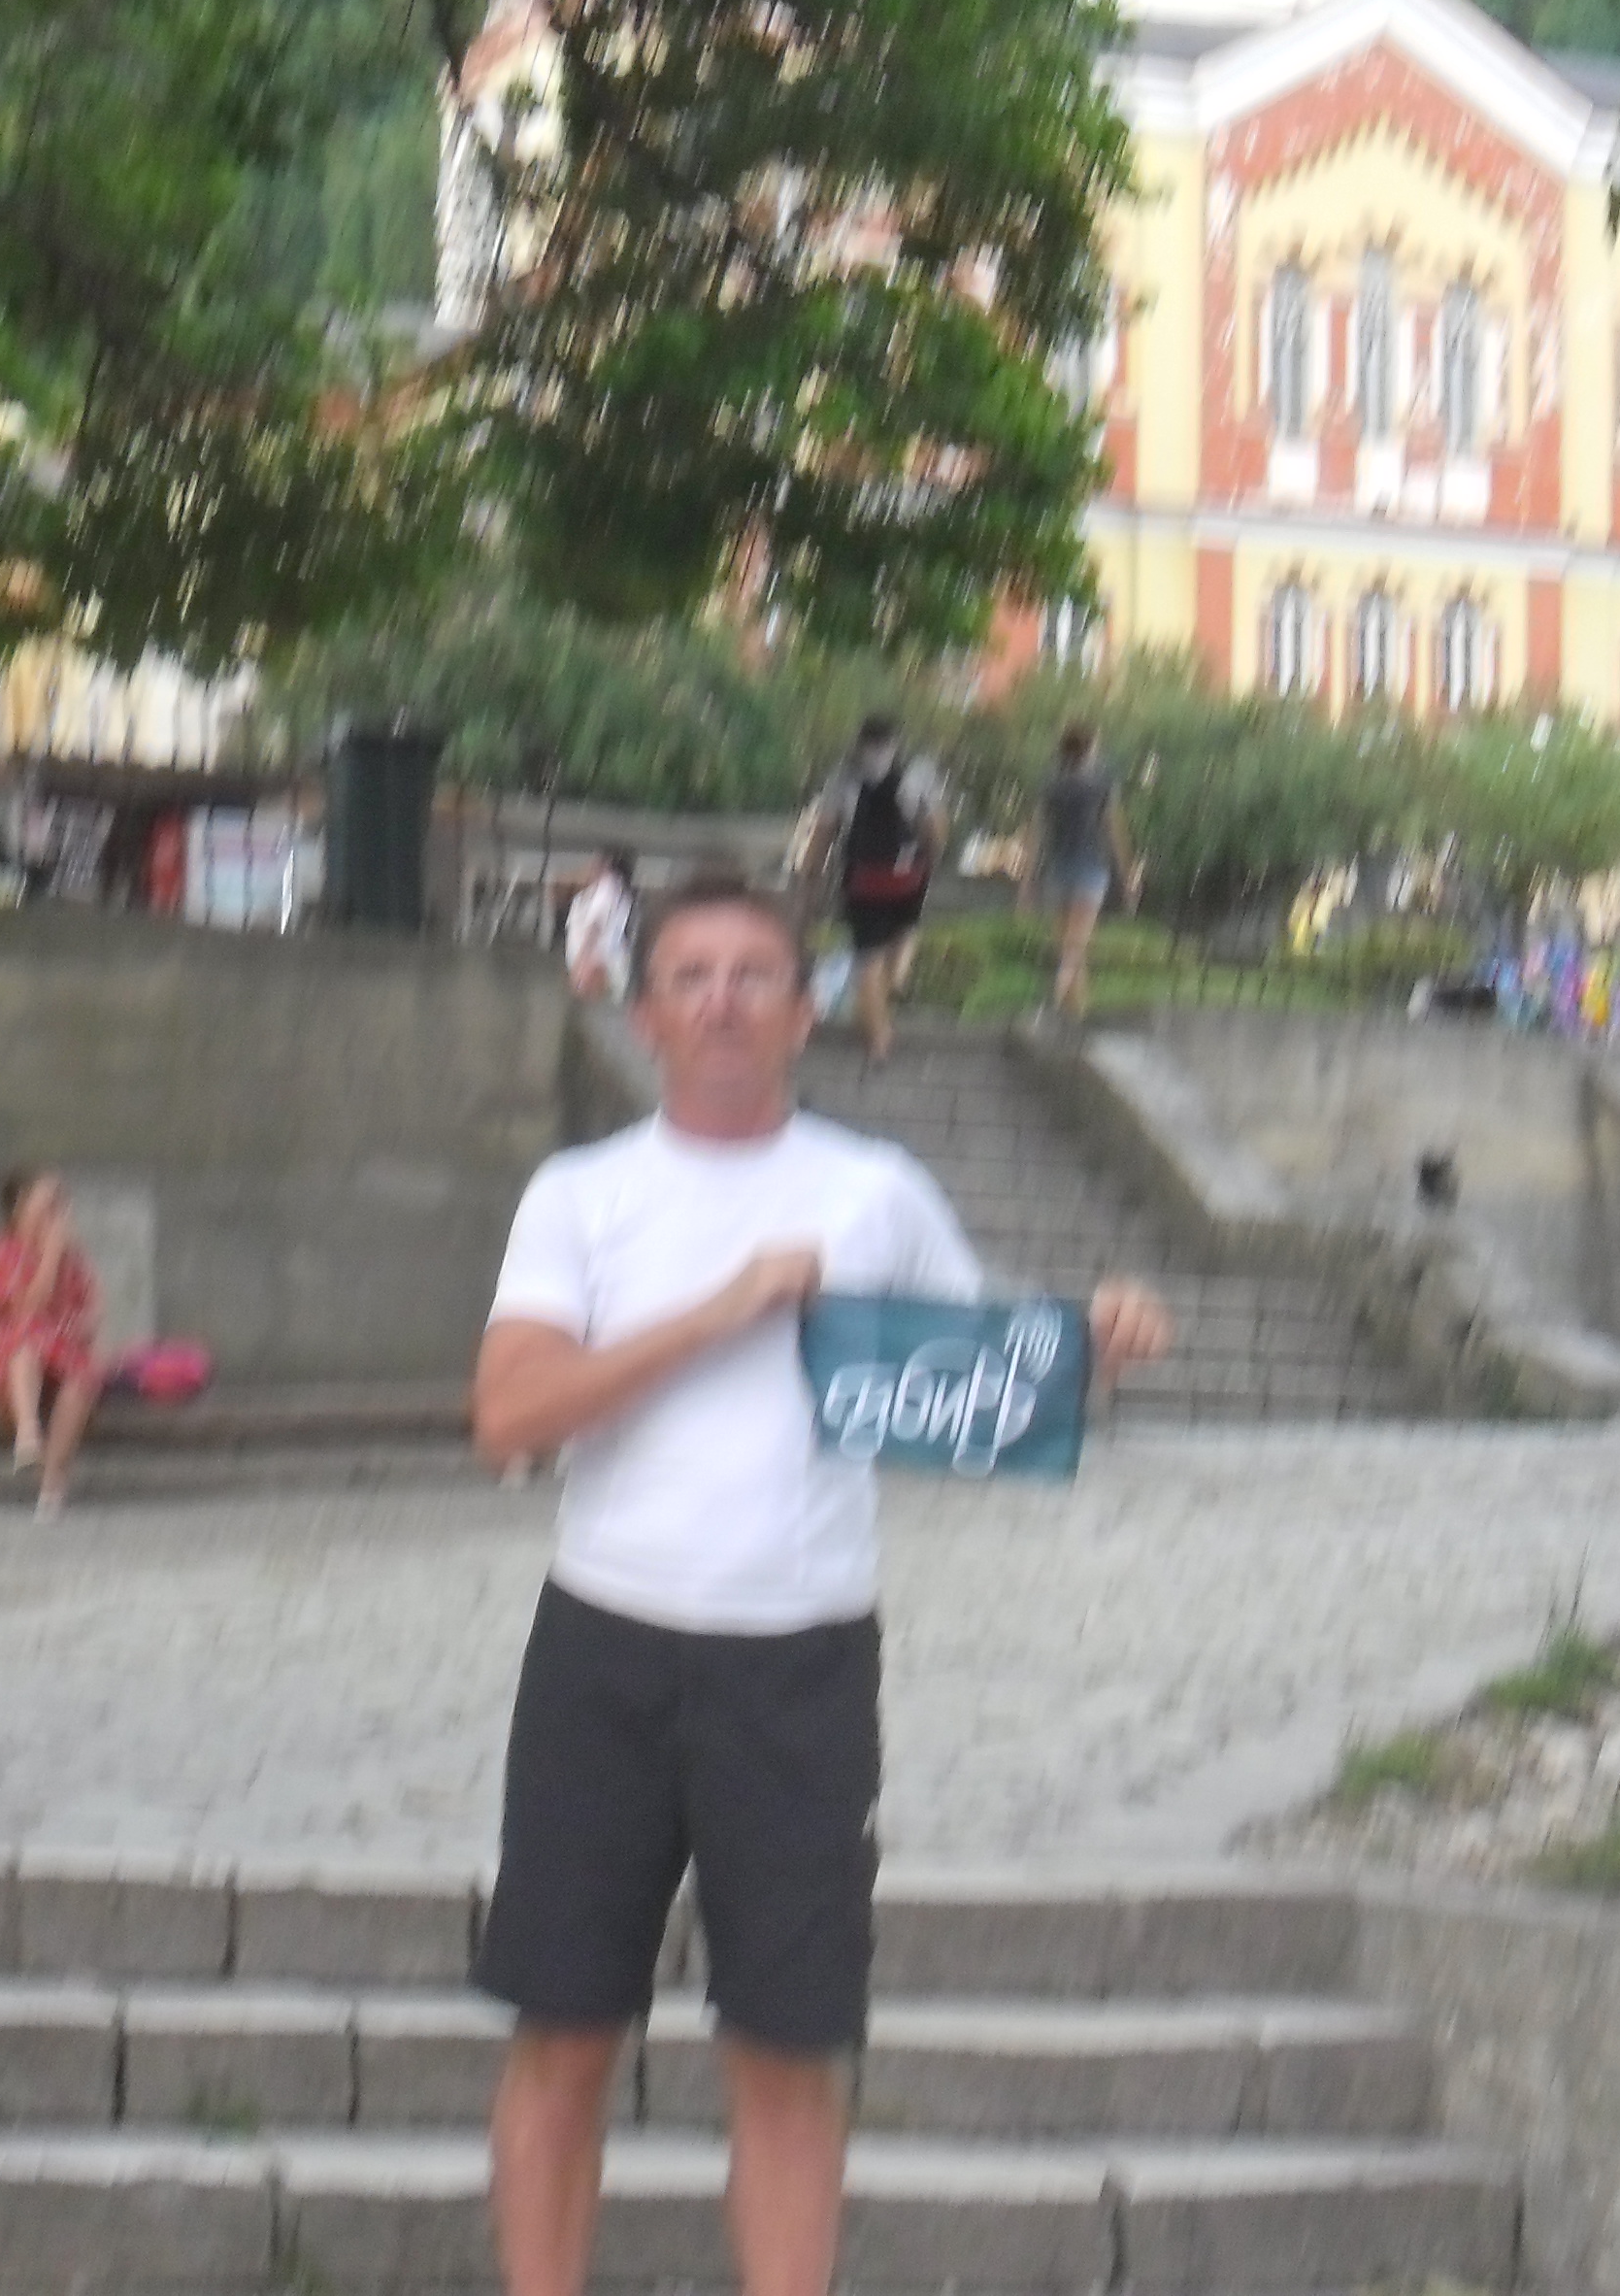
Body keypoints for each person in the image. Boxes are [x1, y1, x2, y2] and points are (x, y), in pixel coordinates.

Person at [466, 871, 1174, 2296]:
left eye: (755, 976)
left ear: (806, 1011)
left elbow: (986, 1380)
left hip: (800, 1663)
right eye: (692, 977)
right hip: (605, 1646)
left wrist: (1096, 1343)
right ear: (644, 1012)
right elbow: (510, 1414)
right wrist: (717, 1310)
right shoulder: (582, 1195)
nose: (723, 1002)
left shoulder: (874, 1191)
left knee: (790, 2050)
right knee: (564, 2032)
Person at [800, 716, 946, 1066]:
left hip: (863, 878)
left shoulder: (844, 775)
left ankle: (879, 1039)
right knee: (903, 936)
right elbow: (935, 825)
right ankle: (887, 992)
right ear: (896, 741)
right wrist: (933, 858)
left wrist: (810, 875)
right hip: (907, 875)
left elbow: (823, 831)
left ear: (860, 741)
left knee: (868, 956)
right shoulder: (917, 771)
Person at [0, 1166, 101, 1517]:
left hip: (63, 1360)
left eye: (62, 1204)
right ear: (21, 1209)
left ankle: (52, 1483)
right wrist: (50, 1257)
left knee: (82, 1378)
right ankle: (28, 1432)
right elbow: (29, 1307)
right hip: (12, 1366)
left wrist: (84, 1323)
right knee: (27, 1341)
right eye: (48, 1205)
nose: (57, 1215)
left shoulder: (73, 1257)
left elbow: (93, 1309)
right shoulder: (2, 1252)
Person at [1036, 722, 1139, 1024]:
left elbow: (1037, 831)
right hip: (1091, 870)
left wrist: (1027, 880)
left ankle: (1077, 1017)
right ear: (1089, 749)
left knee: (1068, 946)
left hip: (1058, 869)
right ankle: (1051, 1006)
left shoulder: (1051, 784)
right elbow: (1114, 830)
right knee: (1076, 948)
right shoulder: (1101, 785)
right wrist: (1128, 872)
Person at [562, 853, 638, 1005]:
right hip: (598, 949)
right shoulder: (603, 889)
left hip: (592, 947)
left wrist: (584, 956)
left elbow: (594, 924)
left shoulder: (607, 889)